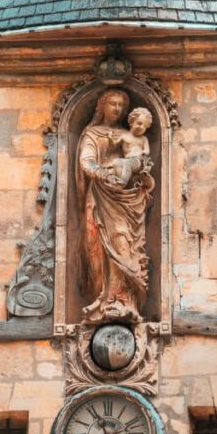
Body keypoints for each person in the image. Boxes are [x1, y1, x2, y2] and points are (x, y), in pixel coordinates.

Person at [76, 89, 154, 324]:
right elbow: (86, 161)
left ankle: (123, 300)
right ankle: (102, 299)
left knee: (124, 242)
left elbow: (142, 162)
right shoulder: (93, 134)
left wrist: (139, 169)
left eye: (121, 104)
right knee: (97, 247)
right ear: (102, 106)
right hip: (101, 194)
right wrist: (104, 174)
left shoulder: (131, 135)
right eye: (113, 103)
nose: (117, 108)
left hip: (126, 198)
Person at [107, 107, 153, 186]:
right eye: (139, 123)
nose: (141, 127)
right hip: (127, 160)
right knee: (116, 162)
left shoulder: (143, 139)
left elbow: (147, 150)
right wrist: (110, 139)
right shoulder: (124, 136)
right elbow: (114, 146)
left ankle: (123, 183)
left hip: (138, 161)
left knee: (127, 164)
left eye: (145, 126)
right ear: (132, 122)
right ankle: (125, 182)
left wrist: (144, 152)